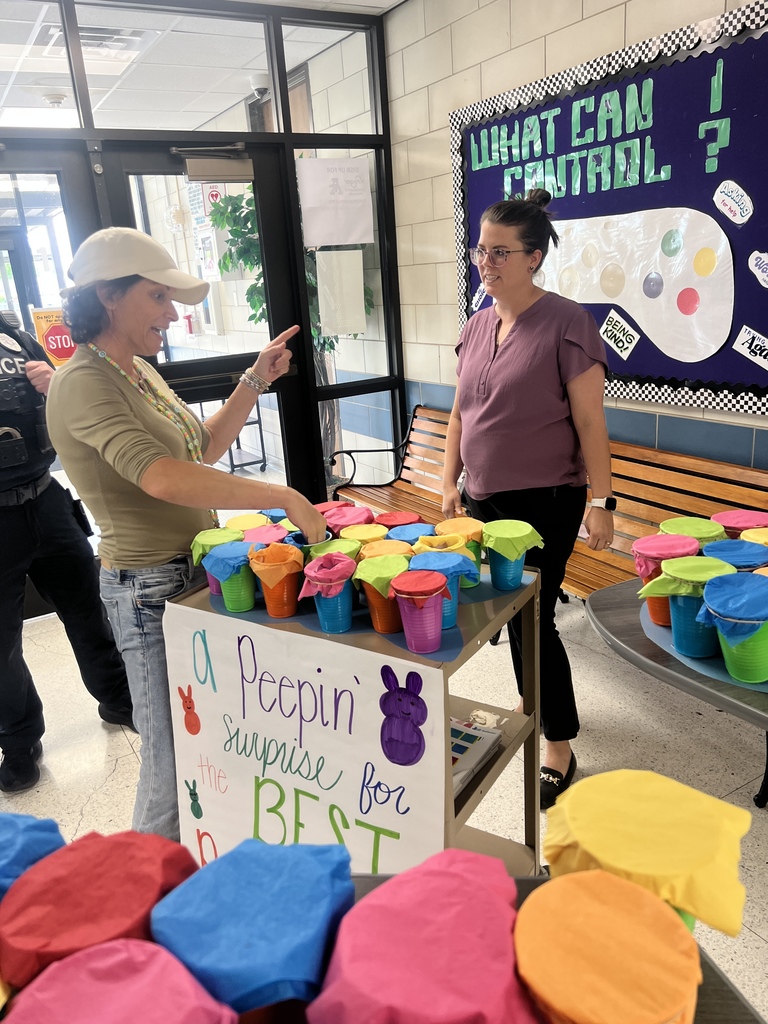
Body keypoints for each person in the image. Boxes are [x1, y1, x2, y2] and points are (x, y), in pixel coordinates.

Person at [47, 226, 327, 841]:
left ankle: (195, 866)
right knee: (170, 761)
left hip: (197, 572)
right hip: (148, 590)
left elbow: (200, 446)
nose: (172, 315)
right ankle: (143, 884)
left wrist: (254, 380)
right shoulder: (83, 381)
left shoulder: (137, 372)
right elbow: (161, 476)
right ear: (108, 296)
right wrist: (282, 496)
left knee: (210, 744)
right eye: (157, 298)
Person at [441, 190, 614, 810]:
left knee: (531, 616)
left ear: (533, 257)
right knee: (510, 612)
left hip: (546, 501)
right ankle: (534, 698)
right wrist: (449, 481)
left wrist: (603, 501)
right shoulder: (476, 324)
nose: (485, 262)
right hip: (483, 497)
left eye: (500, 252)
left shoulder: (567, 323)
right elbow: (461, 413)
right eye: (480, 250)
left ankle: (558, 744)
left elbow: (590, 422)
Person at [0, 309, 134, 795]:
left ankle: (118, 700)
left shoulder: (15, 340)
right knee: (2, 645)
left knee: (88, 612)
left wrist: (53, 386)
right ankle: (18, 742)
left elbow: (63, 412)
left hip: (46, 498)